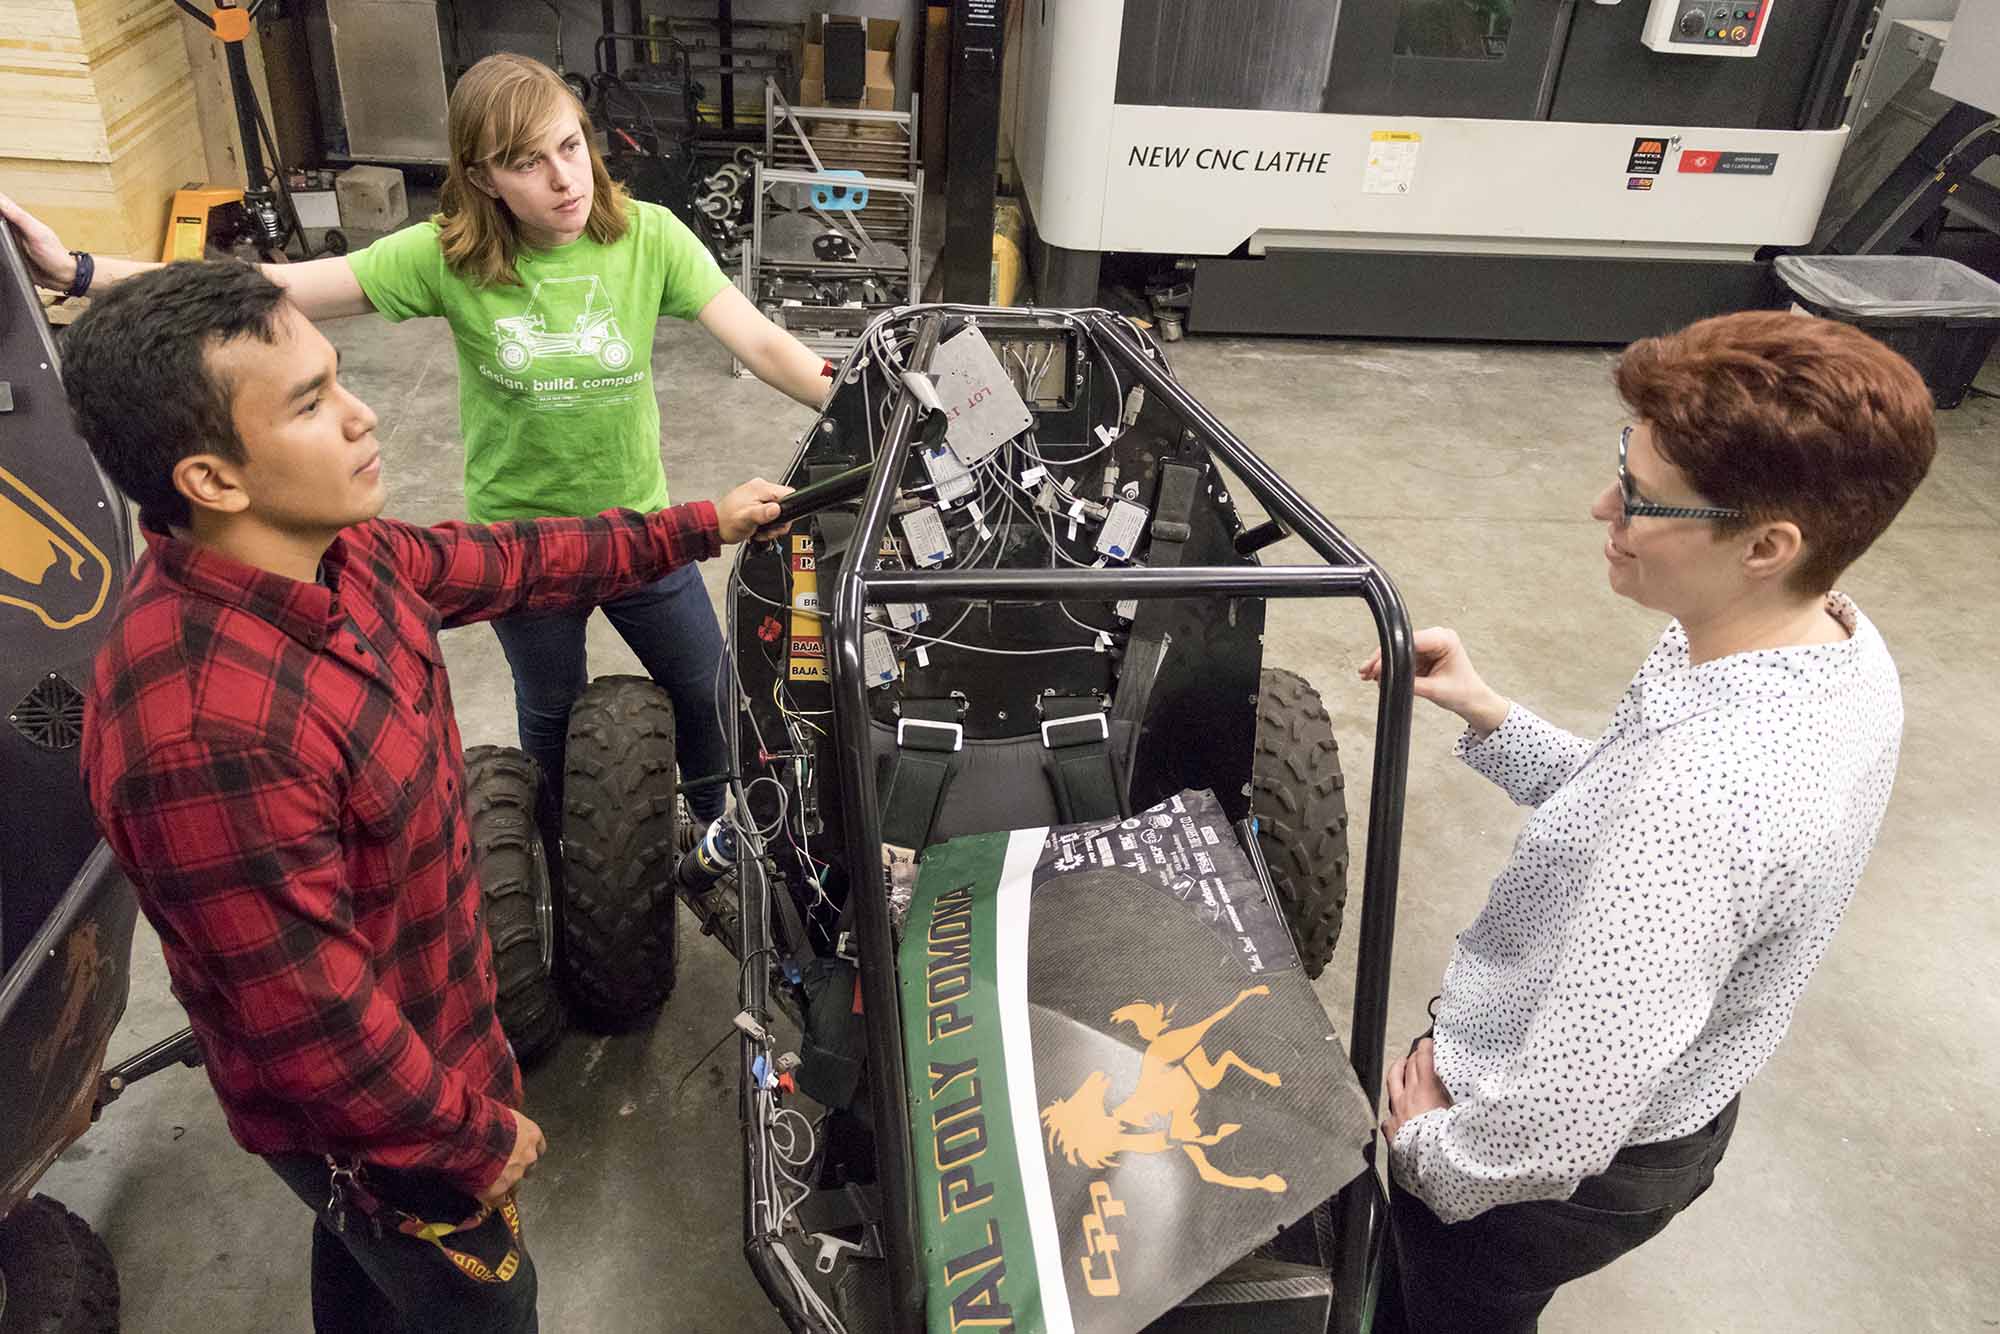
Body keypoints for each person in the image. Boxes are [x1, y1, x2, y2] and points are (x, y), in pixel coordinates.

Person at [67, 258, 788, 1333]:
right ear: (211, 479)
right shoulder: (202, 735)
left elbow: (508, 558)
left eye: (338, 379)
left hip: (437, 1025)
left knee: (365, 1269)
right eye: (311, 404)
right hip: (378, 1116)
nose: (363, 417)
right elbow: (313, 1027)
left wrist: (694, 526)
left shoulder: (340, 556)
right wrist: (467, 1137)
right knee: (488, 1305)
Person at [3, 52, 826, 835]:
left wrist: (870, 397)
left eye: (571, 145)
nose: (564, 178)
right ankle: (554, 865)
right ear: (482, 178)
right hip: (518, 541)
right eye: (527, 162)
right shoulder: (447, 257)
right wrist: (78, 271)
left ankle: (729, 838)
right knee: (550, 712)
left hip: (641, 523)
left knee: (710, 688)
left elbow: (764, 348)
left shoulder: (647, 238)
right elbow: (269, 288)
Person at [1357, 310, 1936, 1333]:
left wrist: (1424, 1153)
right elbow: (1625, 810)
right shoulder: (1820, 636)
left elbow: (1555, 1127)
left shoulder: (1713, 792)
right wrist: (1491, 715)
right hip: (1666, 1104)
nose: (1599, 506)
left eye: (1637, 496)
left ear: (1765, 543)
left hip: (1537, 1176)